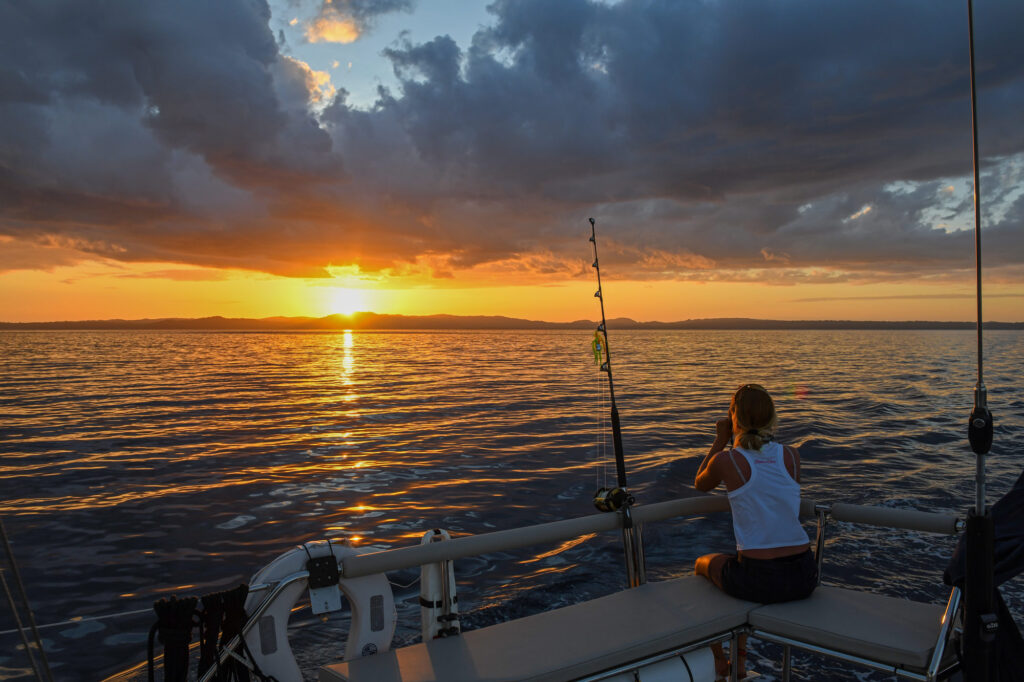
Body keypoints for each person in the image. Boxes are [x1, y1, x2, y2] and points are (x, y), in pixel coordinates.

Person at [693, 383, 817, 679]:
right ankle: (741, 663)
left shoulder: (726, 461)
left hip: (759, 579)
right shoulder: (792, 455)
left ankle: (722, 660)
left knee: (702, 565)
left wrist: (721, 439)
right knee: (738, 570)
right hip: (804, 574)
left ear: (733, 416)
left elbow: (700, 483)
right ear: (772, 417)